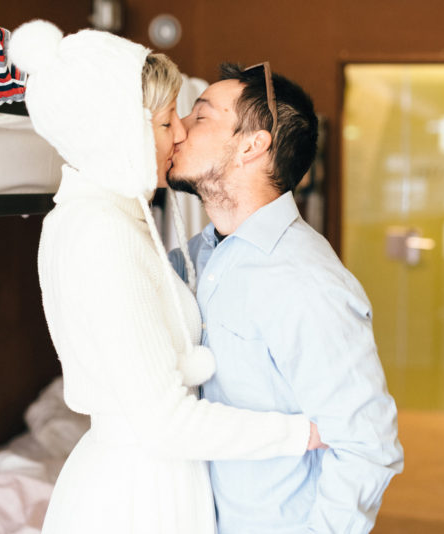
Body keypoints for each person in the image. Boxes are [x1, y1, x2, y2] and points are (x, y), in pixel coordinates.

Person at [8, 22, 324, 534]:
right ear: (118, 133)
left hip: (148, 474)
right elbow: (166, 423)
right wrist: (301, 433)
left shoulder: (109, 219)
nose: (180, 133)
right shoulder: (102, 233)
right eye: (164, 122)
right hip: (138, 493)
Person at [168, 62, 404, 533]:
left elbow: (367, 445)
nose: (178, 129)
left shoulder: (305, 281)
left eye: (200, 115)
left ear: (252, 146)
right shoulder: (197, 257)